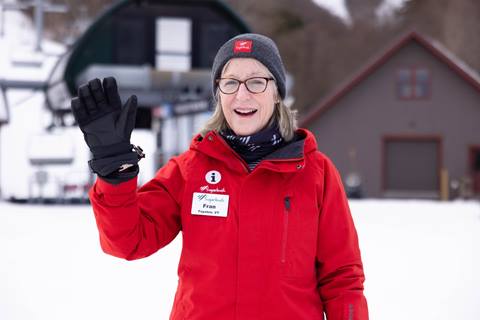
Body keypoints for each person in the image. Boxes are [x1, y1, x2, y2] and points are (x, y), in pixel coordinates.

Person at [71, 33, 369, 320]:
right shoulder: (190, 170)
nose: (242, 94)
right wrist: (115, 172)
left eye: (256, 82)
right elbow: (128, 241)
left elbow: (343, 280)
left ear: (277, 92)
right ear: (218, 93)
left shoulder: (315, 172)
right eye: (230, 82)